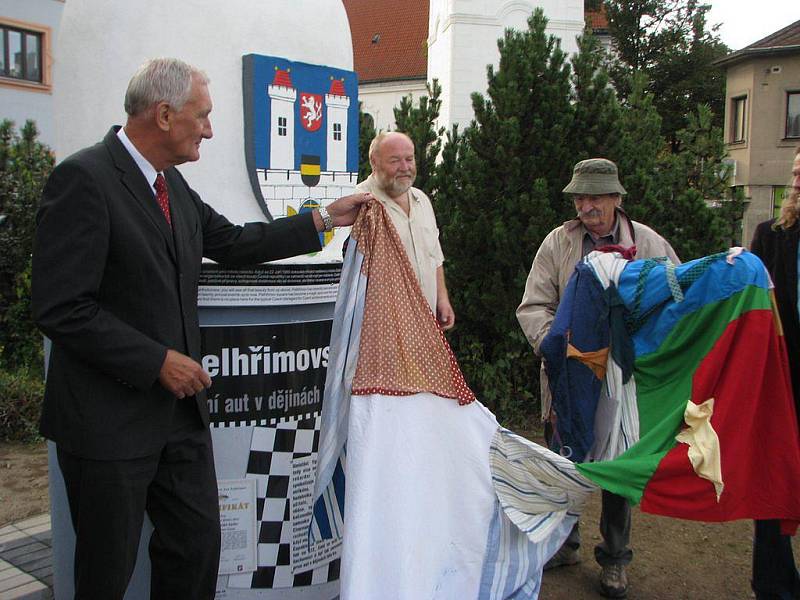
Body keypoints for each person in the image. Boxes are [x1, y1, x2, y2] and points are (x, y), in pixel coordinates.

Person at [31, 58, 368, 600]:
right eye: (203, 116)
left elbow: (234, 243)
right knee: (105, 571)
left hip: (177, 422)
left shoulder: (173, 188)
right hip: (105, 423)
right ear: (165, 115)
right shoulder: (84, 179)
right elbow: (61, 307)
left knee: (196, 547)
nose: (209, 130)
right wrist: (156, 361)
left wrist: (323, 219)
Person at [516, 158, 679, 598]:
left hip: (624, 382)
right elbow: (533, 305)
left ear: (616, 199)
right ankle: (563, 545)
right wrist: (556, 348)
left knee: (617, 466)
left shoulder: (647, 243)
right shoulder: (559, 243)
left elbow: (674, 302)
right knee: (566, 459)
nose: (587, 205)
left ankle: (614, 558)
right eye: (580, 197)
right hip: (570, 377)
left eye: (595, 197)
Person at [749, 148, 800, 600]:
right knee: (772, 481)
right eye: (798, 170)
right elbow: (749, 303)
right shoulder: (772, 236)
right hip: (782, 381)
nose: (798, 178)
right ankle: (774, 585)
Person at [355, 131, 454, 327]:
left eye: (409, 159)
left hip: (426, 324)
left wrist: (442, 299)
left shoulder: (422, 200)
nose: (405, 167)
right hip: (384, 330)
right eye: (395, 161)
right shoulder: (360, 204)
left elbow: (434, 256)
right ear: (374, 162)